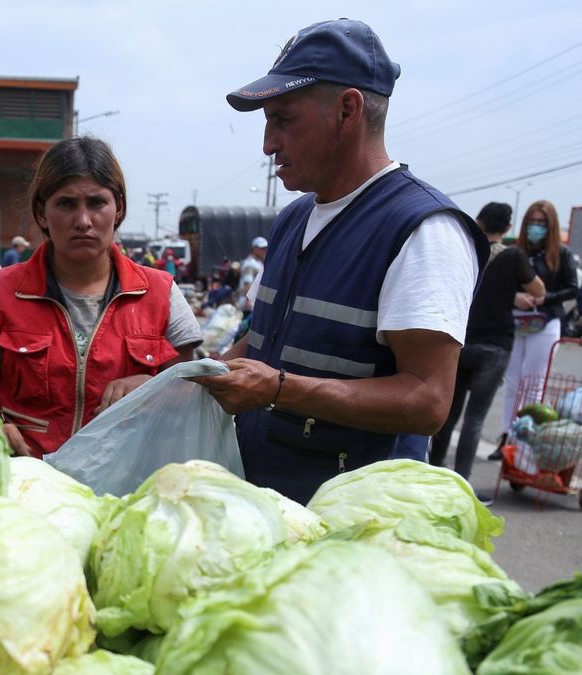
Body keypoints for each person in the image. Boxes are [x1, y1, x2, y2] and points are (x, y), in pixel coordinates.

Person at [195, 19, 489, 503]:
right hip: (269, 503)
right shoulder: (292, 219)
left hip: (357, 523)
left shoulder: (421, 229)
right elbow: (265, 338)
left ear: (348, 111)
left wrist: (279, 389)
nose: (268, 144)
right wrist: (193, 381)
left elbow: (427, 399)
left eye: (283, 119)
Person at [0, 137, 203, 458]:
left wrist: (152, 388)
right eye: (66, 204)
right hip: (27, 484)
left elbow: (193, 394)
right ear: (41, 212)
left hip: (128, 485)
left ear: (118, 208)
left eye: (96, 202)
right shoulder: (2, 292)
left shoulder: (162, 293)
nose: (83, 221)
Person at [431, 202, 544, 503]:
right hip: (495, 348)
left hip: (461, 342)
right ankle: (462, 487)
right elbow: (539, 292)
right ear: (508, 228)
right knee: (475, 420)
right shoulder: (514, 256)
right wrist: (515, 295)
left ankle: (432, 475)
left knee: (448, 413)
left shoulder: (468, 251)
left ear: (478, 222)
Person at [499, 200, 577, 431]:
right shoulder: (516, 252)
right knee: (512, 383)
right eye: (532, 221)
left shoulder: (561, 254)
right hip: (516, 321)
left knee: (534, 382)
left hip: (546, 321)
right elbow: (502, 284)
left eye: (541, 222)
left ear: (550, 224)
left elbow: (573, 288)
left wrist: (545, 298)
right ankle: (506, 433)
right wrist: (514, 297)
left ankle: (525, 432)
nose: (536, 226)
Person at [239, 236, 267, 301]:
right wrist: (248, 301)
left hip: (255, 301)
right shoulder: (250, 263)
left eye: (265, 248)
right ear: (254, 249)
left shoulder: (259, 262)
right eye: (262, 248)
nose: (264, 250)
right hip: (250, 303)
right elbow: (247, 283)